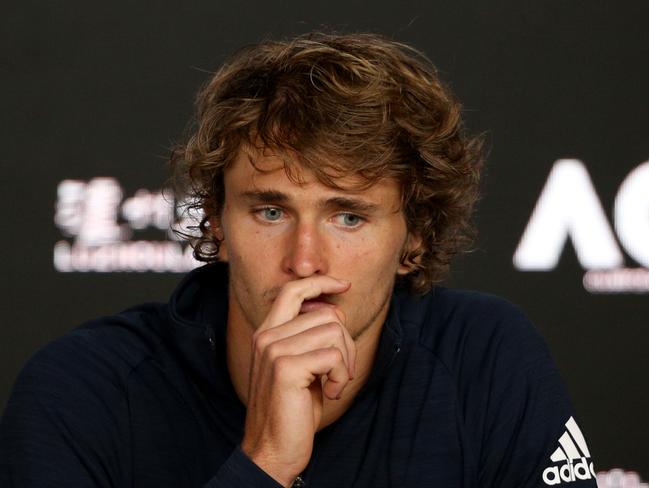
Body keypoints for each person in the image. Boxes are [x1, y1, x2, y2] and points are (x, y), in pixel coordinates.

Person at [0, 32, 597, 487]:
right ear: (217, 221)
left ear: (414, 236)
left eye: (349, 217)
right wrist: (264, 463)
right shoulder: (81, 392)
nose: (306, 262)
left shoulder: (485, 359)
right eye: (271, 212)